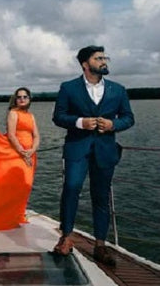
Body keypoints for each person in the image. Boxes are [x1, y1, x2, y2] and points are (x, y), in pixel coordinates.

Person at [52, 45, 134, 266]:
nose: (104, 61)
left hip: (105, 151)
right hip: (77, 148)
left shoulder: (118, 89)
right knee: (71, 189)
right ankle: (66, 238)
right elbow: (58, 116)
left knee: (101, 197)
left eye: (105, 57)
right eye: (98, 58)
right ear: (85, 64)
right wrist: (80, 122)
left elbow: (128, 118)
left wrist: (112, 124)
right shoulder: (68, 88)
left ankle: (100, 245)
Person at [6, 87, 40, 169]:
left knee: (28, 180)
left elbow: (36, 136)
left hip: (30, 153)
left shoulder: (31, 116)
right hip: (17, 153)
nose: (22, 99)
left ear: (29, 99)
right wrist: (23, 153)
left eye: (25, 97)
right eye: (19, 97)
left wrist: (33, 150)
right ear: (15, 99)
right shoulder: (13, 113)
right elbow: (11, 135)